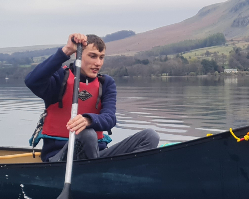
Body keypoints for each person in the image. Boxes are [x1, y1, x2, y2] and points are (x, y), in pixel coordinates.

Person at [25, 33, 159, 162]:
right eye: (93, 56)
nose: (98, 63)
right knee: (86, 134)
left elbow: (110, 118)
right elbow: (32, 81)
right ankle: (98, 172)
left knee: (150, 136)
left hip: (98, 155)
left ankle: (122, 172)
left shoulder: (106, 83)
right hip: (60, 158)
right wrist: (66, 50)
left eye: (101, 57)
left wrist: (89, 120)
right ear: (78, 55)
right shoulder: (60, 78)